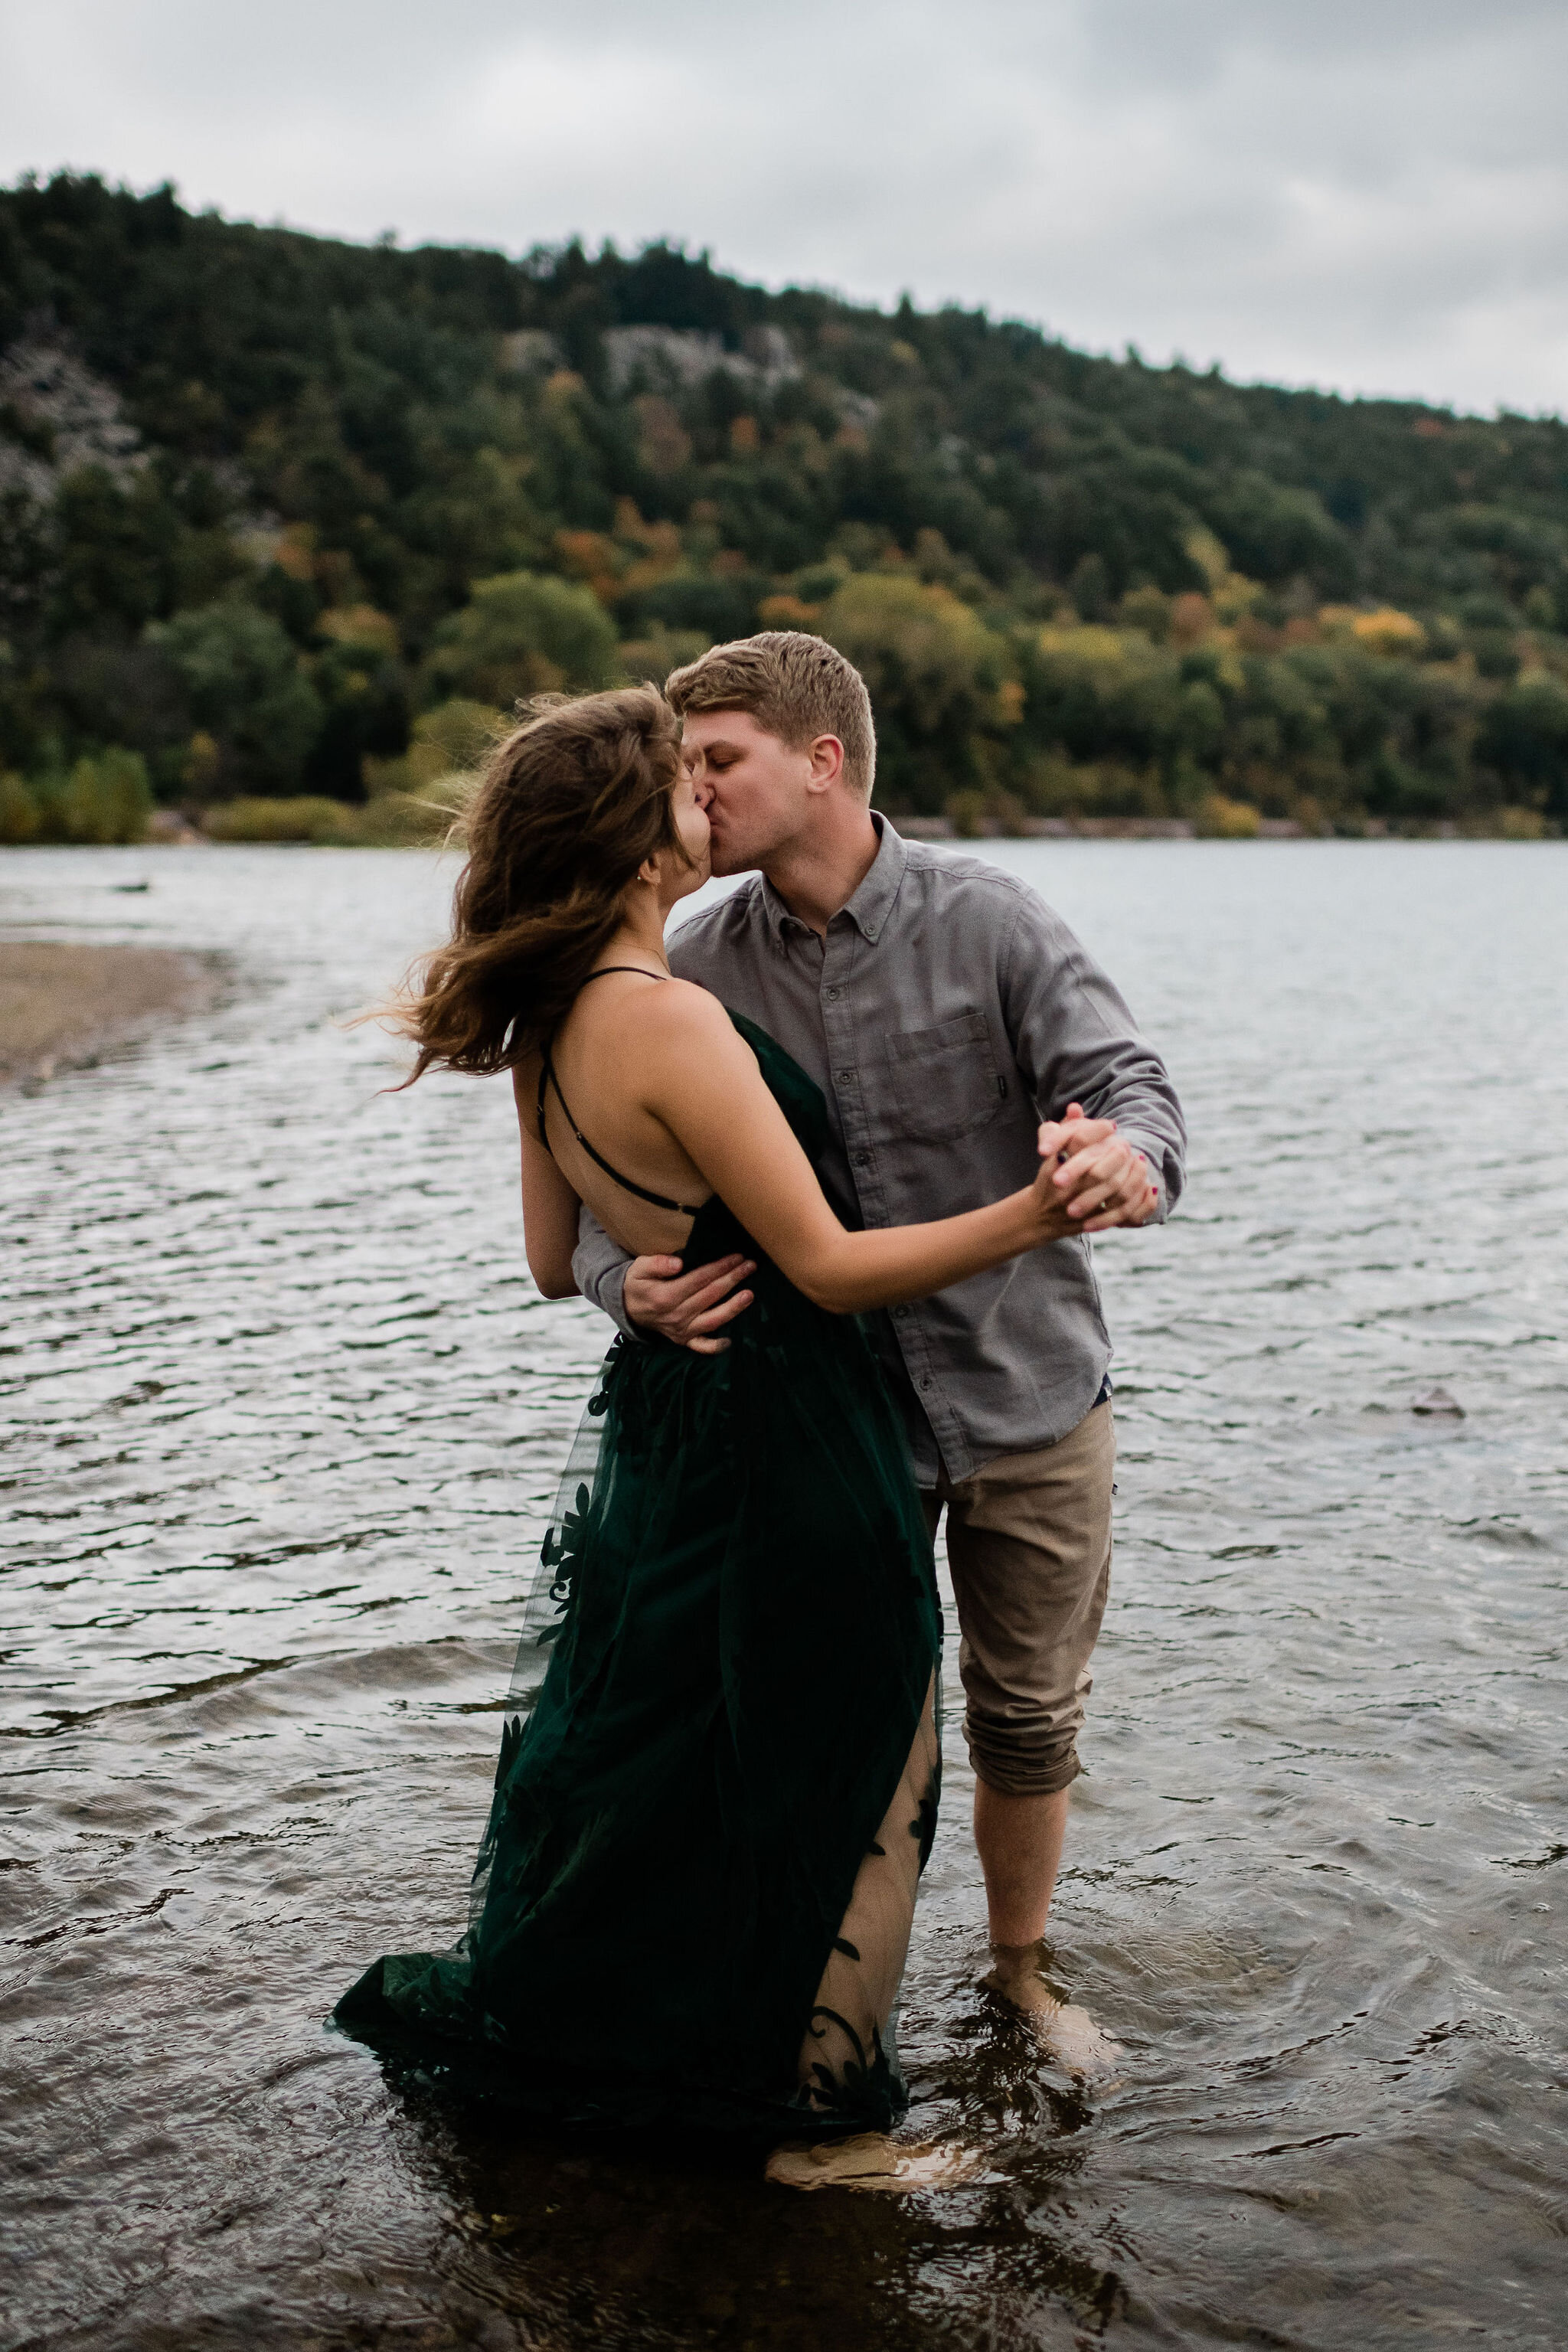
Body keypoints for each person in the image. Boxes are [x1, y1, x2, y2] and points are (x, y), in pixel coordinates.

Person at [333, 685, 1130, 2178]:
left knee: (703, 1764)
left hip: (673, 1429)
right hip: (799, 1436)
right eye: (680, 782)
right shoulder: (676, 1017)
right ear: (642, 846)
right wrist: (1031, 1214)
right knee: (870, 1776)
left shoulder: (547, 1019)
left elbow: (540, 1257)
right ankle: (819, 2129)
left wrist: (631, 1282)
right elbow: (824, 1267)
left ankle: (687, 2043)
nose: (703, 796)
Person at [573, 634, 1186, 2057]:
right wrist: (626, 1288)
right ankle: (835, 2025)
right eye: (686, 769)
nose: (697, 793)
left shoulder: (994, 921)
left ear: (823, 762)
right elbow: (611, 1177)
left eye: (718, 760)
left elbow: (1132, 1091)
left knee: (1030, 1720)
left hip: (1032, 1400)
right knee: (842, 1732)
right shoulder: (690, 969)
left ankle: (1020, 1979)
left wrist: (1128, 1164)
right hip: (828, 1430)